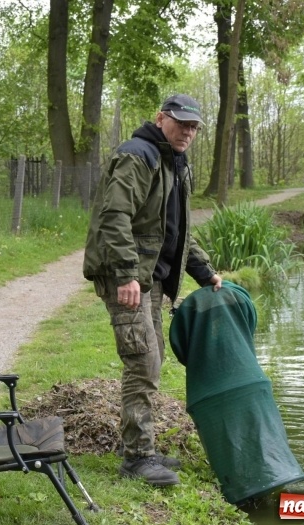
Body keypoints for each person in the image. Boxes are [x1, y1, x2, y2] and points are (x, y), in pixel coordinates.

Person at [82, 94, 222, 487]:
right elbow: (115, 217)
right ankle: (137, 458)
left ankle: (142, 445)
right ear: (161, 118)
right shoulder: (137, 155)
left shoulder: (174, 163)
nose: (188, 132)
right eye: (182, 124)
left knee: (153, 357)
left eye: (194, 127)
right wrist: (127, 274)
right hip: (128, 276)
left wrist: (205, 272)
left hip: (151, 278)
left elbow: (177, 230)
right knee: (142, 361)